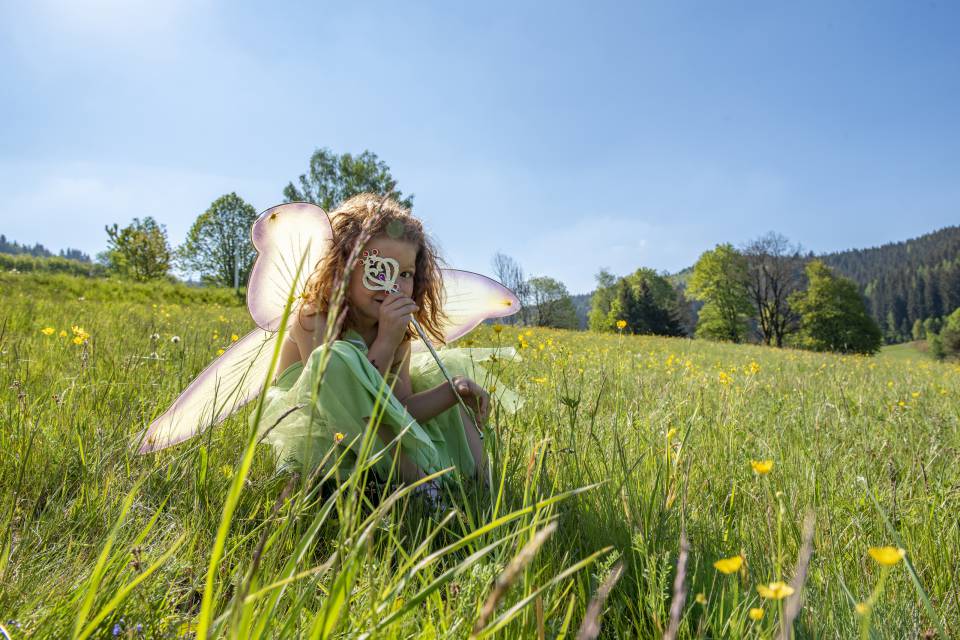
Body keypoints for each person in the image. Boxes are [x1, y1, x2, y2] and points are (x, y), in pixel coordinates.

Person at [254, 193, 519, 491]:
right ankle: (418, 486)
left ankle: (482, 489)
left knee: (455, 398)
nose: (393, 284)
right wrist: (384, 343)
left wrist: (451, 390)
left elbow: (399, 408)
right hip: (326, 435)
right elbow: (341, 399)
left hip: (378, 436)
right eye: (378, 269)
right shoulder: (314, 318)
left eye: (405, 273)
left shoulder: (398, 332)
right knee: (337, 359)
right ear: (343, 268)